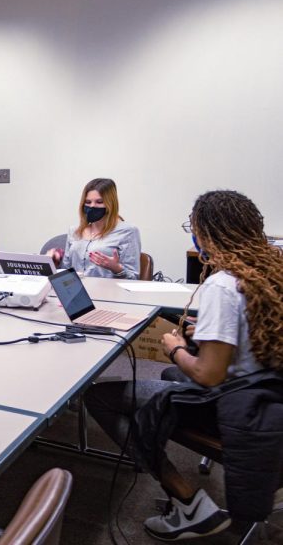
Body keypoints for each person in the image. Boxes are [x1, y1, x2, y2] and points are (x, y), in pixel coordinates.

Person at [84, 190, 283, 541]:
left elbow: (208, 374)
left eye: (193, 228)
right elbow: (258, 331)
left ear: (206, 233)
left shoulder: (222, 286)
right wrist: (207, 333)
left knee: (99, 396)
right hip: (271, 392)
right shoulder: (272, 269)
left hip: (237, 404)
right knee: (167, 377)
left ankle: (188, 502)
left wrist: (175, 347)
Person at [49, 178, 141, 279]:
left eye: (99, 202)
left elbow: (133, 278)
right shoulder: (74, 231)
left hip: (107, 292)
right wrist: (53, 262)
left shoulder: (128, 231)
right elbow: (66, 272)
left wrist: (116, 268)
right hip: (75, 291)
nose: (92, 206)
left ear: (110, 204)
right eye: (88, 202)